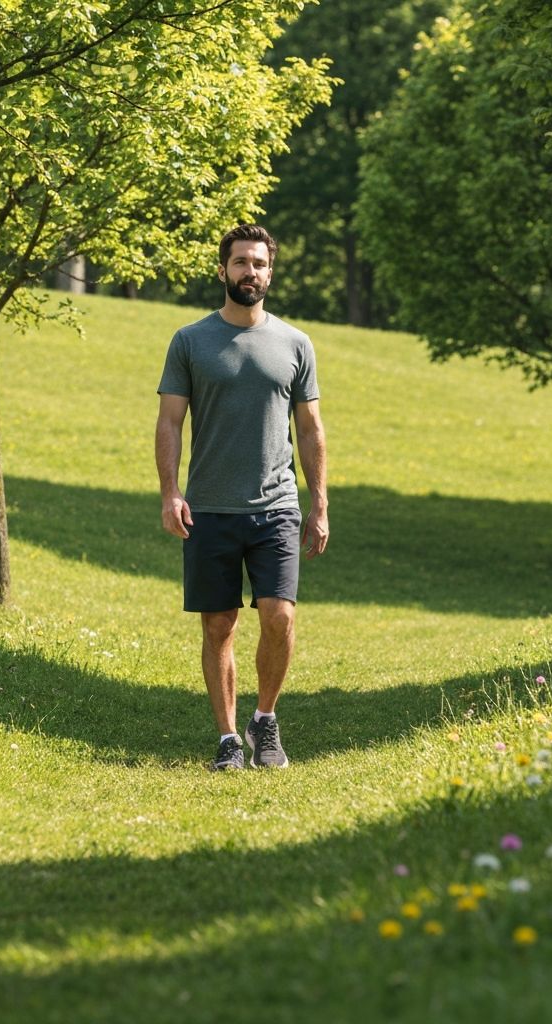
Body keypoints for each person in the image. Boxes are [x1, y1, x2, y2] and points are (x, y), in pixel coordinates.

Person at [155, 224, 329, 770]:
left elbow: (311, 430)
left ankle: (265, 720)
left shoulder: (296, 344)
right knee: (219, 625)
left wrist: (319, 502)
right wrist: (170, 492)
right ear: (222, 270)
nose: (249, 272)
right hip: (208, 507)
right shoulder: (190, 340)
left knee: (279, 616)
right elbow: (169, 423)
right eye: (239, 263)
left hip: (277, 506)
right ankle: (229, 738)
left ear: (270, 272)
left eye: (258, 263)